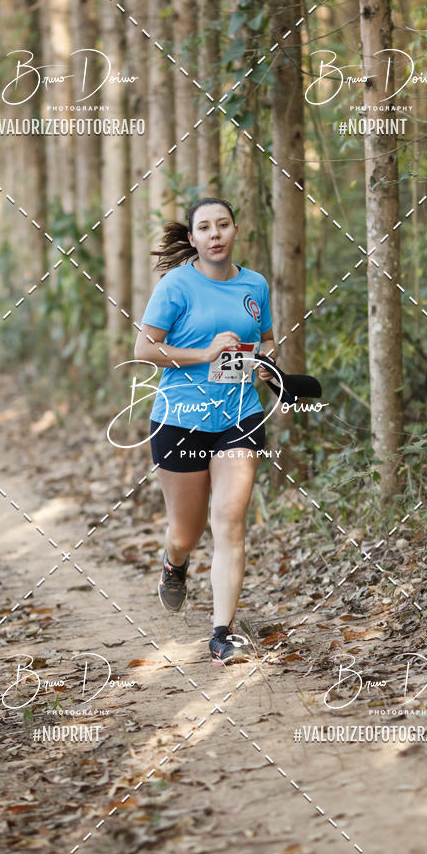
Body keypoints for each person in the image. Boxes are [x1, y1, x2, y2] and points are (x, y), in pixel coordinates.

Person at [134, 197, 276, 666]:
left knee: (230, 520)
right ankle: (175, 564)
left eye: (223, 225)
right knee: (186, 532)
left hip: (240, 416)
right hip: (180, 419)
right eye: (204, 228)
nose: (215, 234)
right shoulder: (176, 285)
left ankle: (221, 633)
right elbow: (145, 348)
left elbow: (268, 338)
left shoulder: (255, 284)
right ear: (192, 238)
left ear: (235, 231)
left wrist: (268, 363)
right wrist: (206, 352)